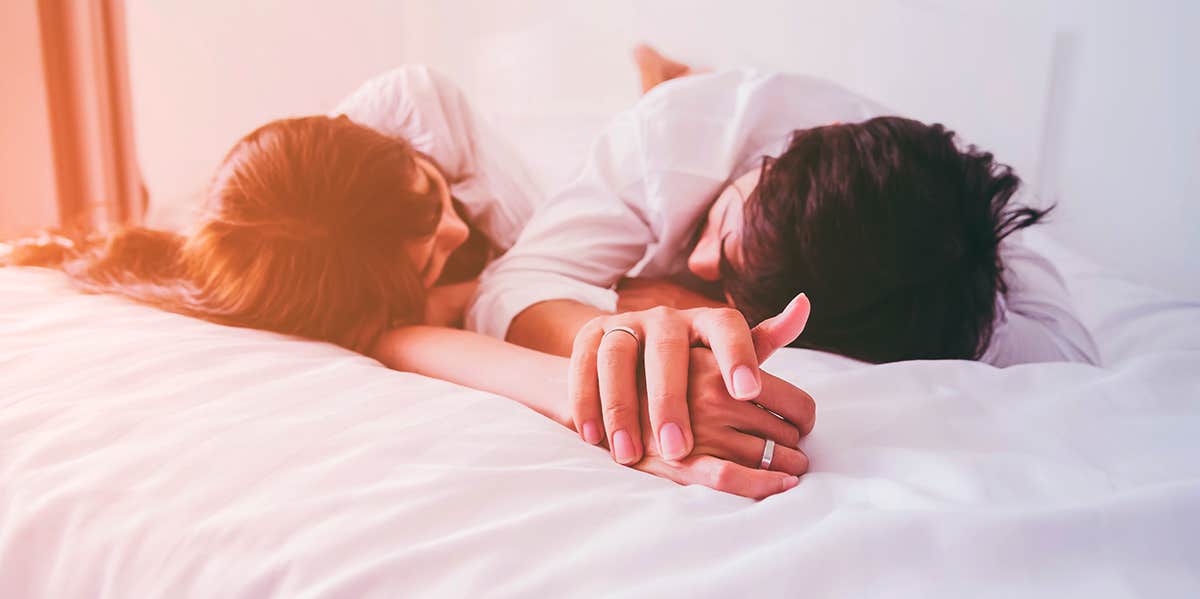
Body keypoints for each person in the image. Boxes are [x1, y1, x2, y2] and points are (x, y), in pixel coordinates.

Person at [2, 61, 814, 499]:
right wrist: (606, 394)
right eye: (428, 253)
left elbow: (524, 270)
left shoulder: (415, 109)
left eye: (431, 192)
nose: (458, 230)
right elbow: (400, 339)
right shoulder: (336, 286)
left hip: (578, 222)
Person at [467, 45, 1102, 467]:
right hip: (701, 126)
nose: (706, 264)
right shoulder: (673, 135)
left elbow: (1073, 364)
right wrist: (629, 340)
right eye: (727, 222)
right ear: (777, 157)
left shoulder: (990, 281)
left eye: (734, 284)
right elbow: (509, 284)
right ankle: (670, 76)